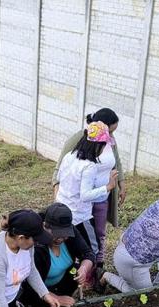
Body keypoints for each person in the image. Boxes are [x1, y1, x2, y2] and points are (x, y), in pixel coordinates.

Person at [53, 108, 125, 267]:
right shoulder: (89, 165)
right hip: (80, 214)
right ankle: (91, 275)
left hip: (65, 208)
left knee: (66, 243)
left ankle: (71, 271)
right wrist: (108, 187)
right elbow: (85, 195)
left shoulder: (70, 157)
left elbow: (60, 178)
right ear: (98, 145)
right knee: (90, 248)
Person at [22, 202, 96, 307]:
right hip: (37, 293)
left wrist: (84, 269)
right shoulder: (36, 247)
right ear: (44, 226)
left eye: (64, 234)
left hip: (60, 284)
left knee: (75, 269)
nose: (60, 239)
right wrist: (56, 298)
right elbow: (29, 283)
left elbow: (88, 254)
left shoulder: (71, 233)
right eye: (56, 234)